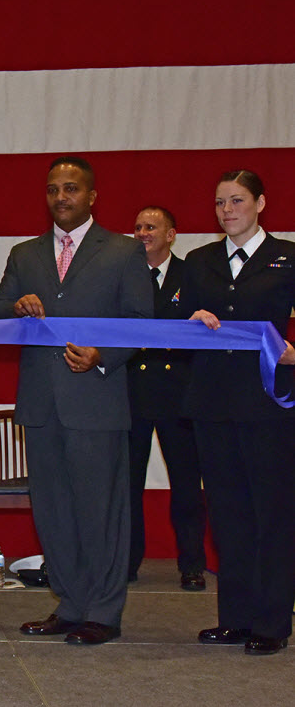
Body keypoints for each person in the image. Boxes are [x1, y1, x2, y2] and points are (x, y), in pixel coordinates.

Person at [0, 156, 153, 645]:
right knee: (54, 511)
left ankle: (103, 610)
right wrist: (17, 307)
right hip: (41, 406)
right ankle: (70, 602)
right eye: (53, 189)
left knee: (100, 511)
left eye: (72, 189)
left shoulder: (124, 251)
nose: (61, 198)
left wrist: (103, 355)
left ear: (92, 196)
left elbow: (142, 321)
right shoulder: (25, 253)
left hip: (96, 402)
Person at [181, 170, 295, 656]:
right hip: (213, 402)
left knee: (272, 514)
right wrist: (190, 321)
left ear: (261, 203)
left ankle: (272, 621)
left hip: (268, 404)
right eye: (220, 202)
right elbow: (172, 323)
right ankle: (236, 618)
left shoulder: (288, 258)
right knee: (227, 515)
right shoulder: (198, 260)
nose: (228, 210)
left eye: (237, 200)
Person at [127, 206, 206, 590]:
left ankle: (192, 564)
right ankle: (126, 563)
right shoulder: (124, 275)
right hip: (132, 393)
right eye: (139, 227)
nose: (143, 233)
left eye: (152, 227)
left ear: (171, 234)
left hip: (178, 395)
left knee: (188, 486)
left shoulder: (190, 275)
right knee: (126, 486)